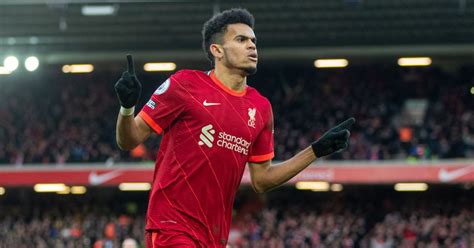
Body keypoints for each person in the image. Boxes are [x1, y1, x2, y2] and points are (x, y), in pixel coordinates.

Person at [114, 8, 354, 248]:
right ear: (216, 50)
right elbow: (128, 140)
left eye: (253, 41)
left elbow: (262, 180)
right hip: (171, 226)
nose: (252, 46)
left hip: (214, 236)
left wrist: (315, 151)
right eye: (241, 39)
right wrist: (127, 107)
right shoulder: (184, 85)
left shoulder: (261, 107)